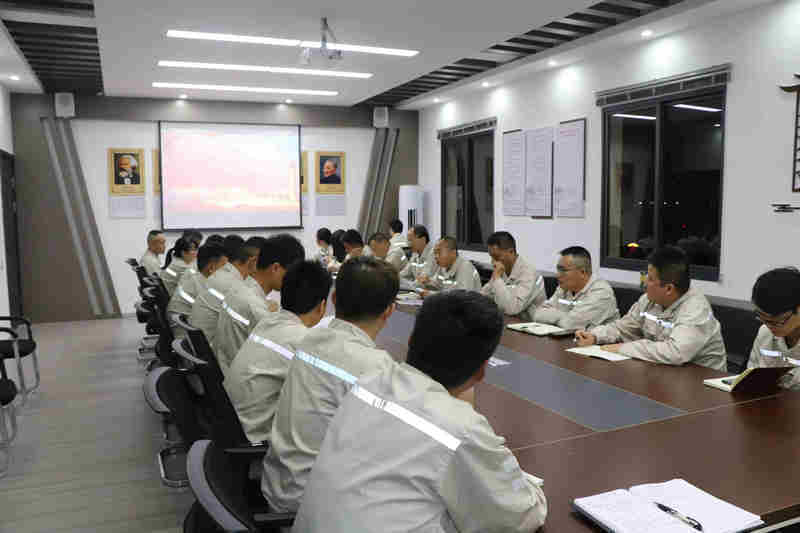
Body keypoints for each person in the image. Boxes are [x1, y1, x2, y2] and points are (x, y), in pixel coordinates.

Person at [291, 290, 548, 532]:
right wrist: (526, 486)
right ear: (481, 370)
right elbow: (520, 514)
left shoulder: (369, 382)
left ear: (411, 340)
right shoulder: (461, 428)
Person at [261, 256, 399, 513]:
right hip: (313, 505)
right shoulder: (377, 367)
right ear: (390, 310)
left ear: (333, 299)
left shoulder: (310, 339)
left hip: (279, 482)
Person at [227, 260, 332, 444]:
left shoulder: (267, 322)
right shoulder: (304, 341)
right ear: (322, 306)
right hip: (254, 442)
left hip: (230, 425)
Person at [575, 246, 726, 370]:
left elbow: (675, 352)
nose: (645, 282)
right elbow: (623, 328)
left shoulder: (696, 309)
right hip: (665, 372)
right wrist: (595, 336)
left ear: (668, 288)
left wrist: (623, 348)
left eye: (651, 279)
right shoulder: (649, 300)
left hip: (701, 383)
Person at [216, 235, 305, 370]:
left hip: (226, 365)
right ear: (275, 268)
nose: (295, 280)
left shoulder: (239, 288)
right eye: (293, 273)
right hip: (238, 373)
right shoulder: (255, 307)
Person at [189, 235, 256, 347]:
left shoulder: (214, 279)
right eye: (224, 265)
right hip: (208, 347)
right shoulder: (227, 283)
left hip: (198, 342)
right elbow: (255, 319)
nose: (225, 269)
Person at [531, 246, 620, 329]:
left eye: (563, 270)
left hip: (597, 340)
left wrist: (557, 316)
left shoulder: (601, 293)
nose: (558, 275)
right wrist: (565, 316)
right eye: (558, 269)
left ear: (582, 272)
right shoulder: (564, 288)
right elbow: (538, 315)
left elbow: (570, 325)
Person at [746, 267, 800, 389]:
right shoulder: (765, 332)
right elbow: (751, 376)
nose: (770, 327)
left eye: (777, 321)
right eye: (763, 318)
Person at [480, 231, 546, 320]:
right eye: (491, 257)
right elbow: (483, 295)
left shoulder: (529, 273)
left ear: (511, 251)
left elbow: (513, 308)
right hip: (508, 320)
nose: (493, 262)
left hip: (529, 323)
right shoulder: (501, 269)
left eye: (496, 257)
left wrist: (497, 279)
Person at [166, 242, 228, 326]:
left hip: (182, 326)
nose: (227, 271)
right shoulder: (207, 288)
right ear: (211, 267)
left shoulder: (197, 279)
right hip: (184, 330)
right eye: (224, 266)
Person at [398, 224, 434, 290]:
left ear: (423, 239)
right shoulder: (415, 254)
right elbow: (404, 273)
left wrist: (405, 284)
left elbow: (421, 283)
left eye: (411, 240)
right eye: (408, 240)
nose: (408, 244)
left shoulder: (433, 254)